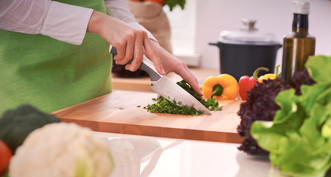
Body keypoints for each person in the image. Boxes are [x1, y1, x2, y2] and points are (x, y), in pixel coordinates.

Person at [0, 0, 202, 115]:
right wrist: (96, 20)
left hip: (96, 92)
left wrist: (148, 43)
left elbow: (112, 3)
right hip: (27, 89)